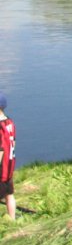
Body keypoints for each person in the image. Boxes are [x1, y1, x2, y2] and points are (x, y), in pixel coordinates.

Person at [0, 92, 16, 220]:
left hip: (1, 169)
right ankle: (12, 219)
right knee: (9, 195)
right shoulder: (9, 122)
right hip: (9, 166)